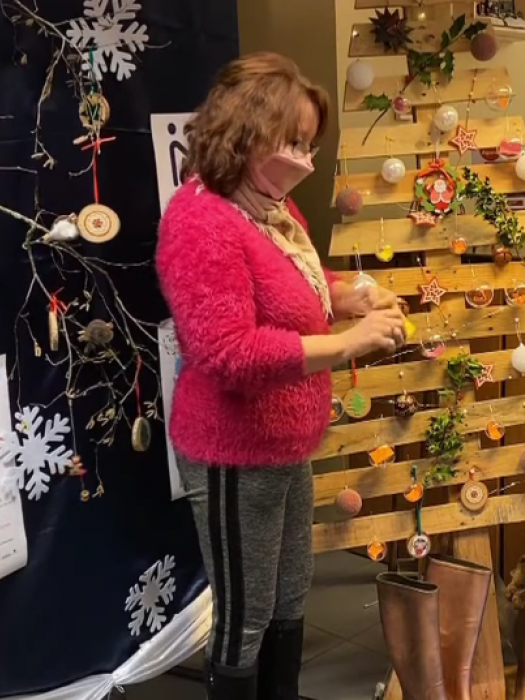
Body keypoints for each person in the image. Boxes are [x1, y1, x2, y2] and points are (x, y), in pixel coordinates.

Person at [155, 53, 406, 700]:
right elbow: (227, 351)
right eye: (292, 140)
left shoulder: (273, 208)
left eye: (308, 143)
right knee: (245, 618)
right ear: (247, 131)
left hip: (286, 443)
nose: (303, 157)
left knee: (290, 598)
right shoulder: (200, 219)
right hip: (233, 449)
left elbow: (296, 293)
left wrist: (348, 298)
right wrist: (346, 342)